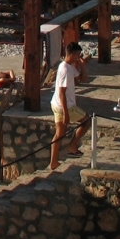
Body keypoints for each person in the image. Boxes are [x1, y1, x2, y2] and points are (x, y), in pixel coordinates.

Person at [50, 42, 89, 170]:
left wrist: (82, 66)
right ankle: (69, 148)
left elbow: (82, 80)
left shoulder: (70, 66)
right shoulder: (65, 70)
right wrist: (66, 114)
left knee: (59, 134)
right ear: (72, 55)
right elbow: (61, 93)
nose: (79, 57)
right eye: (77, 55)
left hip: (61, 103)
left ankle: (55, 161)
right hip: (63, 105)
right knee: (86, 122)